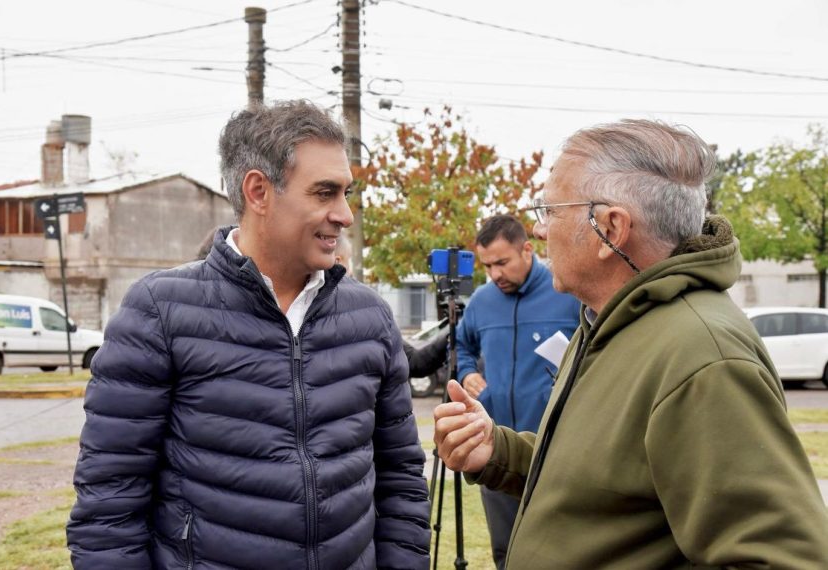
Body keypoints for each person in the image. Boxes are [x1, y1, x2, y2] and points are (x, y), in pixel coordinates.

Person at [434, 119, 828, 568]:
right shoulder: (610, 323)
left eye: (551, 210)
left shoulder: (703, 357)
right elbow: (600, 486)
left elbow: (784, 559)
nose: (540, 231)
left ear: (611, 229)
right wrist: (497, 451)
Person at [67, 100, 430, 569]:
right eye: (325, 193)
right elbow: (109, 504)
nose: (345, 215)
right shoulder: (159, 312)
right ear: (259, 191)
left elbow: (401, 481)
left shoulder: (370, 318)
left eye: (346, 194)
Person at [453, 214, 580, 569]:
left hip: (553, 453)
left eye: (502, 262)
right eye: (487, 266)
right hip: (495, 450)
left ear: (527, 250)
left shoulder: (567, 293)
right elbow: (460, 345)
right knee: (505, 554)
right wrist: (466, 372)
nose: (495, 274)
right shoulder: (481, 301)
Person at [334, 233, 449, 381]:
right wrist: (453, 333)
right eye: (349, 260)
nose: (351, 270)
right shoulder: (370, 311)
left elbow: (415, 362)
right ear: (338, 262)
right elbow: (416, 362)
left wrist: (451, 334)